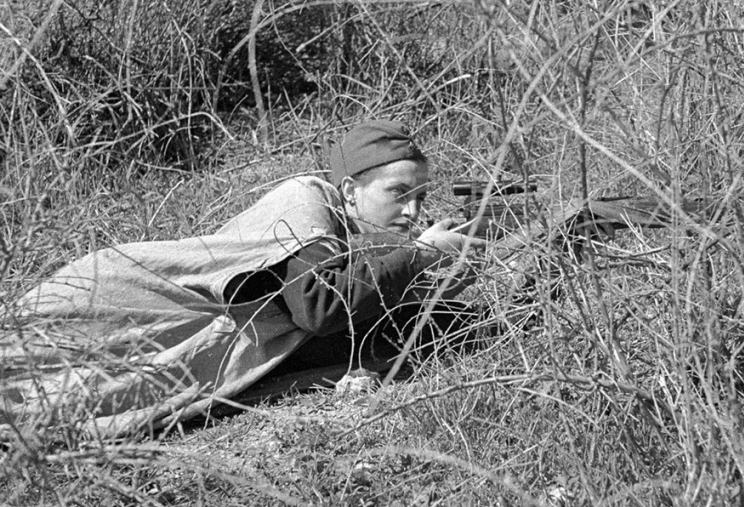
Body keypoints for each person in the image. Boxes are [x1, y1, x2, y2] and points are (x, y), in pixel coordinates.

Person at [0, 119, 485, 437]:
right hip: (113, 298)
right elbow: (319, 308)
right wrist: (417, 256)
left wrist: (451, 272)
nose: (413, 210)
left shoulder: (347, 232)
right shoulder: (303, 203)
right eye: (398, 192)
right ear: (349, 192)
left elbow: (356, 318)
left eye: (421, 195)